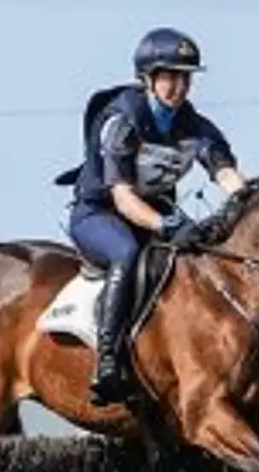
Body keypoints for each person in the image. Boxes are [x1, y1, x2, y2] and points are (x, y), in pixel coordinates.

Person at [57, 26, 248, 404]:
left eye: (186, 78)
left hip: (154, 212)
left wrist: (248, 197)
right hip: (99, 213)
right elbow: (124, 199)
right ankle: (108, 361)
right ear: (148, 78)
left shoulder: (193, 125)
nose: (180, 87)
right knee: (127, 253)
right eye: (170, 77)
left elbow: (224, 171)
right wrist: (167, 224)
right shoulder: (122, 122)